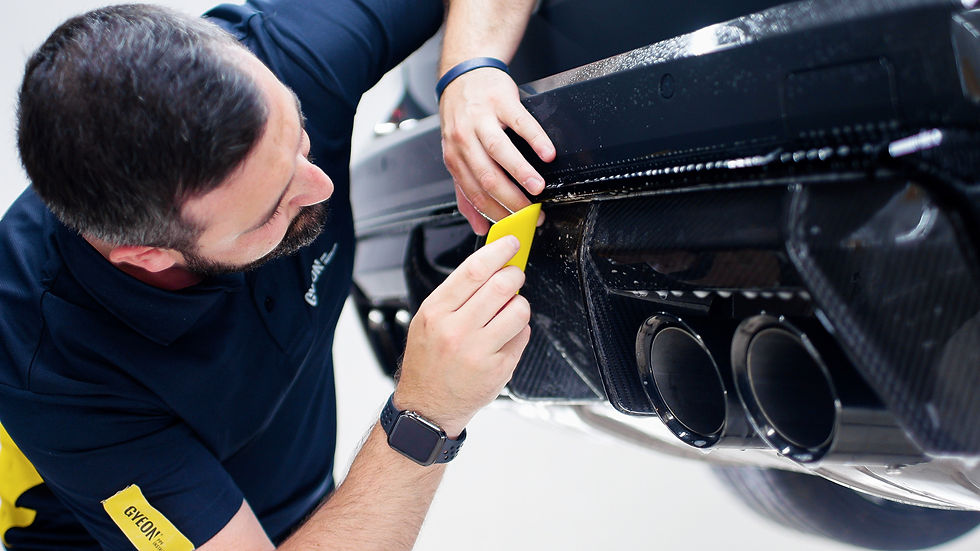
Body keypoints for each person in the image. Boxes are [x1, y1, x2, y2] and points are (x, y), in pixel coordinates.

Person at [0, 0, 551, 549]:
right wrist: (426, 415)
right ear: (149, 255)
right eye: (271, 210)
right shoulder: (50, 364)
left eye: (300, 138)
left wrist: (471, 72)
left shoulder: (288, 52)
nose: (322, 187)